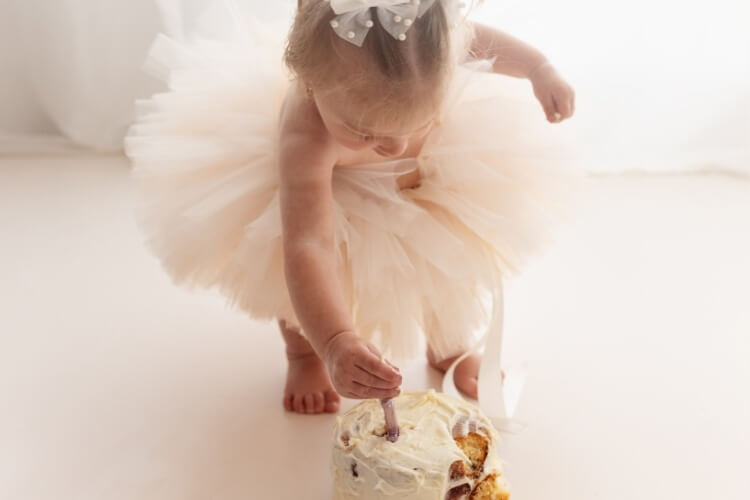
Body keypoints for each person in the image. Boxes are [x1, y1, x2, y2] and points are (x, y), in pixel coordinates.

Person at [126, 0, 577, 415]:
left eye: (418, 120)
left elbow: (477, 38)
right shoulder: (307, 137)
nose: (393, 145)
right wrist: (336, 341)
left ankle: (448, 347)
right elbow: (308, 246)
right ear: (310, 83)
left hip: (426, 178)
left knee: (445, 256)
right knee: (297, 274)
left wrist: (538, 67)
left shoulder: (427, 46)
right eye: (362, 131)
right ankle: (304, 352)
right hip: (330, 203)